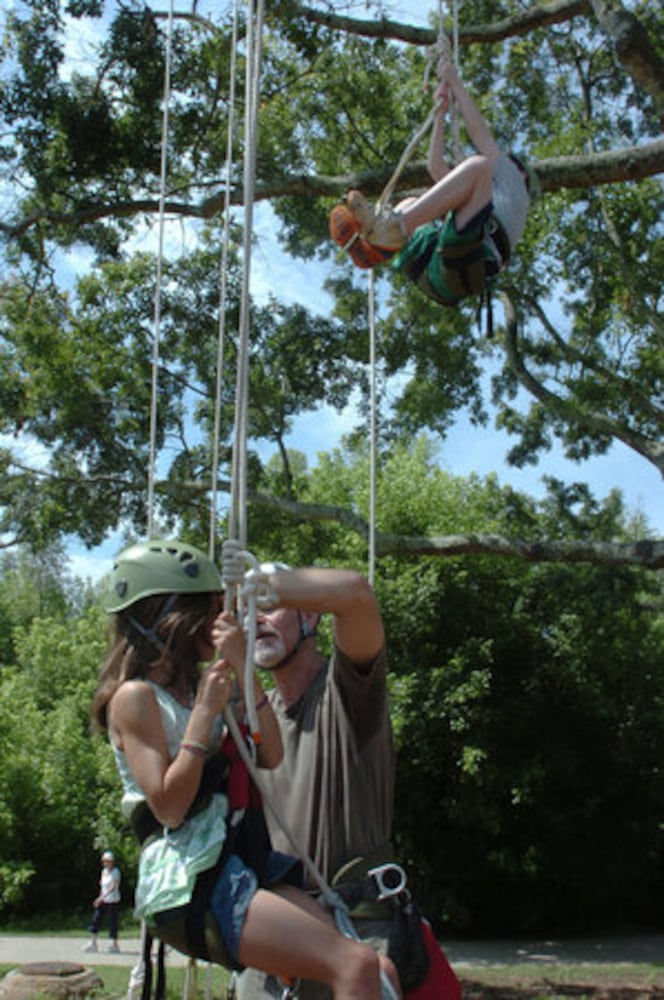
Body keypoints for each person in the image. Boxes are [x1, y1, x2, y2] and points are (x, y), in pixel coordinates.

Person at [91, 539, 400, 1000]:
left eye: (267, 607)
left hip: (242, 869)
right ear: (173, 618)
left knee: (379, 973)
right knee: (355, 966)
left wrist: (246, 653)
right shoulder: (144, 699)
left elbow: (269, 754)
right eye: (219, 607)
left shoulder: (336, 697)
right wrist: (207, 712)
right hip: (194, 875)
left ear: (309, 616)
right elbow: (171, 810)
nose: (239, 616)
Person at [231, 562, 461, 1000]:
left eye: (270, 606)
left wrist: (266, 585)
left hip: (356, 929)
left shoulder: (349, 693)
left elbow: (356, 595)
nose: (256, 617)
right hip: (278, 939)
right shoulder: (253, 721)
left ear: (312, 616)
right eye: (247, 610)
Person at [332, 61, 537, 307]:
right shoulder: (489, 201)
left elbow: (480, 135)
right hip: (437, 268)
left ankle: (392, 227)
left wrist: (456, 83)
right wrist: (440, 117)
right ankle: (373, 240)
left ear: (522, 174)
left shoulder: (514, 181)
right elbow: (437, 168)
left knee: (479, 166)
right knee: (410, 202)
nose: (502, 160)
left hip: (465, 263)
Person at [84, 850, 122, 953]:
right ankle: (93, 943)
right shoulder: (104, 872)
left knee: (112, 922)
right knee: (96, 919)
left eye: (108, 861)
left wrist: (102, 897)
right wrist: (100, 898)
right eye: (105, 861)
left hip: (113, 900)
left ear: (112, 862)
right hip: (104, 900)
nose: (106, 863)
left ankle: (114, 945)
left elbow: (113, 886)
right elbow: (103, 887)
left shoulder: (116, 871)